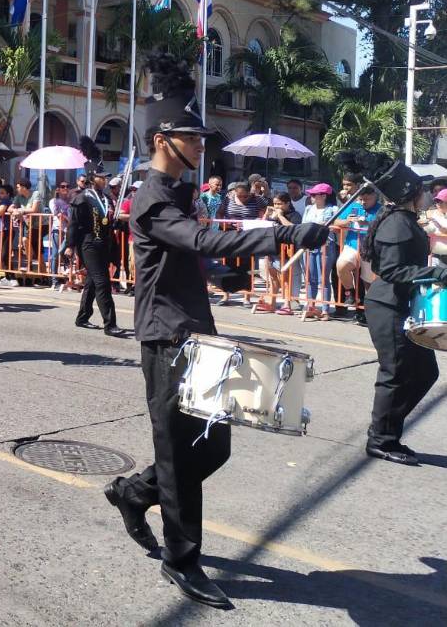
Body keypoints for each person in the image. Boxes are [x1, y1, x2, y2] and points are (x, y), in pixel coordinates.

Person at [103, 54, 329, 610]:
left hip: (196, 333)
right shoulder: (152, 197)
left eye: (203, 136)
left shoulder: (179, 193)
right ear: (163, 139)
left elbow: (198, 255)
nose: (203, 144)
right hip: (164, 337)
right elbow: (201, 242)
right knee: (181, 455)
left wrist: (255, 254)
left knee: (213, 449)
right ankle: (182, 563)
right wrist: (280, 237)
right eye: (192, 136)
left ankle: (133, 491)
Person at [359, 160, 446, 465]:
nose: (429, 194)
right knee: (394, 373)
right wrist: (433, 274)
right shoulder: (396, 222)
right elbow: (392, 269)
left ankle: (386, 430)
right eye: (424, 189)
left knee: (425, 372)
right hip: (386, 306)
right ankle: (381, 439)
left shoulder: (406, 219)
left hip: (401, 306)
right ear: (412, 192)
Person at [66, 138, 125, 337]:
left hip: (104, 244)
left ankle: (82, 316)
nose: (105, 180)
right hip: (89, 244)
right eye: (102, 177)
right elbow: (74, 224)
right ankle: (110, 324)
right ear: (93, 177)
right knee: (102, 282)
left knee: (93, 281)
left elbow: (108, 221)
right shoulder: (81, 198)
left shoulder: (106, 198)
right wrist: (70, 245)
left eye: (106, 177)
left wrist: (119, 223)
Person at [334, 176, 380, 322]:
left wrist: (369, 223)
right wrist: (348, 221)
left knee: (369, 282)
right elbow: (336, 221)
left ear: (374, 197)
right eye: (361, 199)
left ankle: (369, 311)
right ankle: (351, 294)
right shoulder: (353, 206)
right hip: (352, 245)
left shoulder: (382, 210)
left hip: (371, 249)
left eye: (366, 199)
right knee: (341, 265)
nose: (363, 202)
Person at [301, 183, 337, 318]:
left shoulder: (333, 209)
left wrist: (319, 226)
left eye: (315, 194)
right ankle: (311, 306)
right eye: (312, 194)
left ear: (324, 196)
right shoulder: (308, 209)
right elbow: (304, 225)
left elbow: (334, 226)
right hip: (310, 245)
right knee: (310, 278)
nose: (312, 197)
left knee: (324, 278)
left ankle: (325, 309)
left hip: (326, 245)